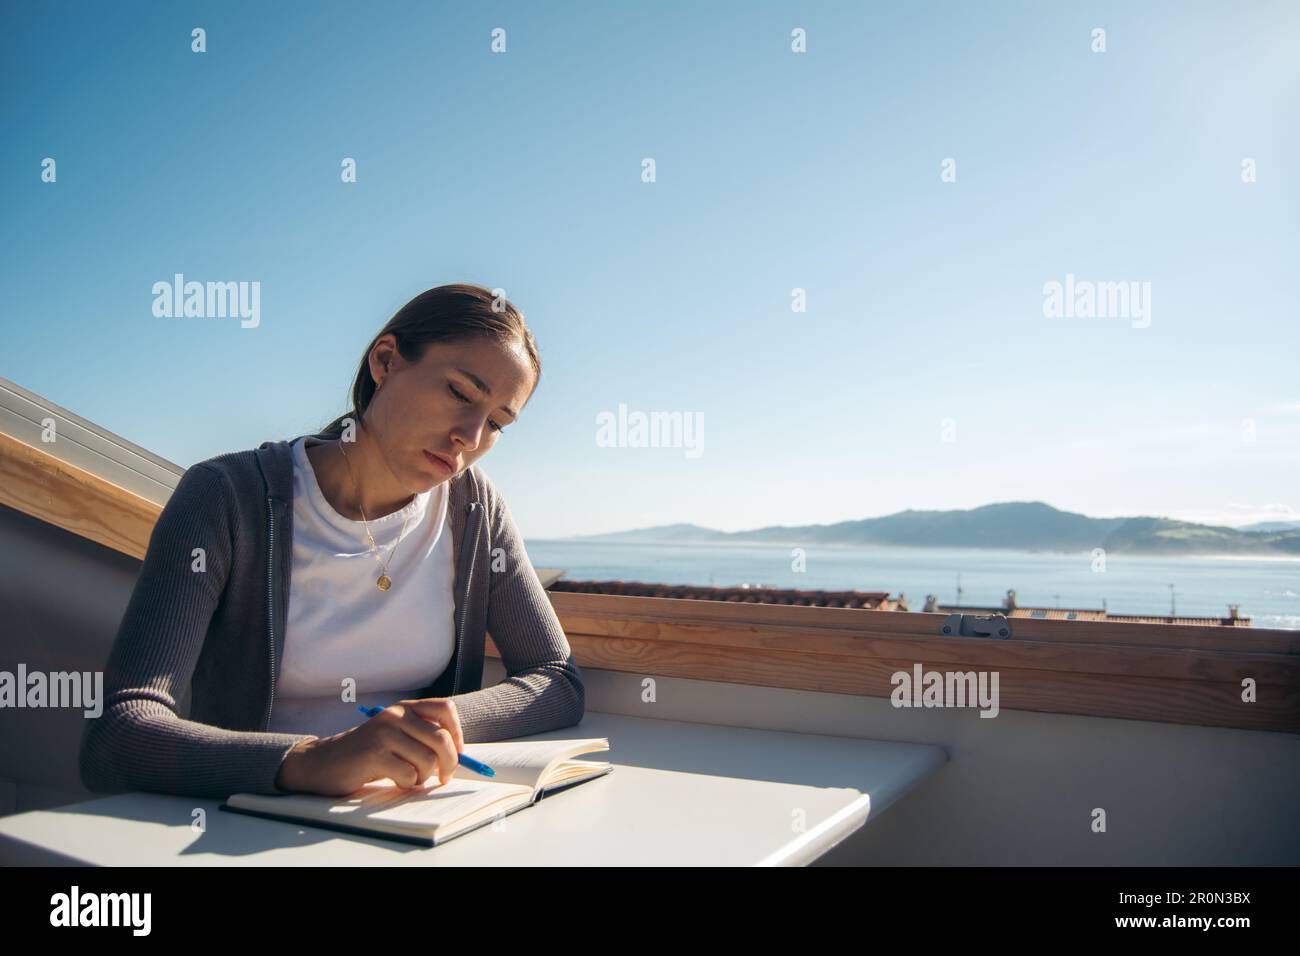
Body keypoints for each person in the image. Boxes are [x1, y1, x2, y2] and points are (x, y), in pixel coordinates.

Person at [79, 284, 585, 799]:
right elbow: (117, 736)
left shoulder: (474, 509)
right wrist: (310, 760)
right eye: (459, 393)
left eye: (498, 422)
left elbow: (556, 680)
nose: (471, 437)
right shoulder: (226, 497)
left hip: (406, 819)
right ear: (385, 361)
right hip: (247, 827)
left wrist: (432, 723)